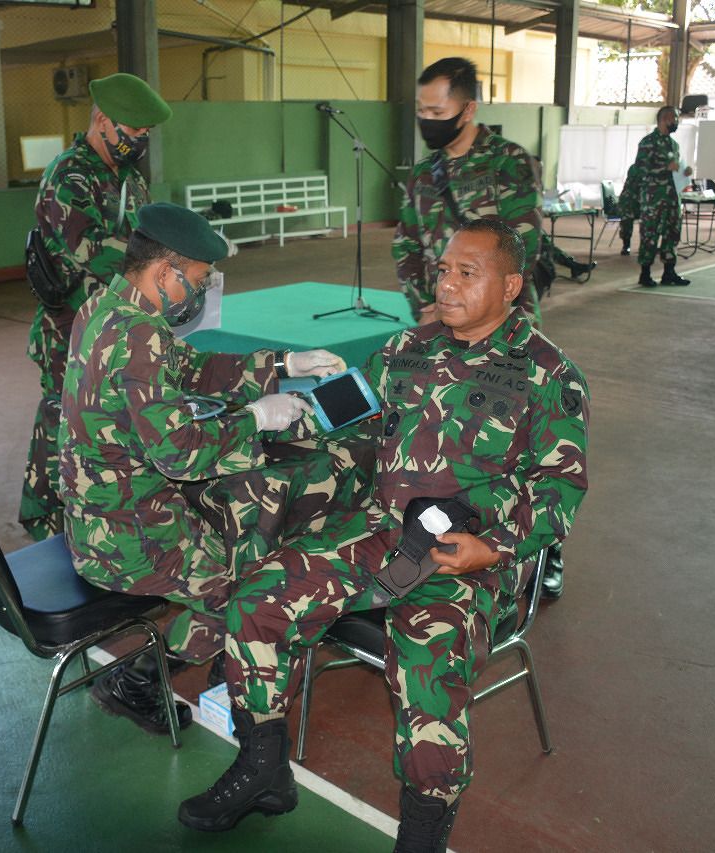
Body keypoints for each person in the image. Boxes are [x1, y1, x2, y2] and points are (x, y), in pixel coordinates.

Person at [178, 220, 589, 851]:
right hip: (377, 531)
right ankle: (262, 766)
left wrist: (496, 549)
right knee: (258, 602)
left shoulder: (547, 375)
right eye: (444, 269)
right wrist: (271, 418)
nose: (445, 284)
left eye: (465, 273)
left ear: (510, 286)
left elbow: (560, 488)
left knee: (427, 666)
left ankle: (422, 833)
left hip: (466, 556)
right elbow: (349, 410)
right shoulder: (408, 348)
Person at [60, 202, 358, 733]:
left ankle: (198, 661)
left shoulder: (105, 309)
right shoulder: (139, 336)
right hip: (128, 536)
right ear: (164, 272)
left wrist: (283, 365)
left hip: (96, 514)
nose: (199, 293)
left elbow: (191, 368)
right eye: (197, 280)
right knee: (253, 586)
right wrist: (257, 419)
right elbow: (181, 453)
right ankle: (139, 681)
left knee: (242, 518)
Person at [19, 72, 171, 540]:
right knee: (61, 421)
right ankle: (42, 518)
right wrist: (159, 264)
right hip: (69, 328)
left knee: (102, 423)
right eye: (133, 131)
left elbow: (145, 235)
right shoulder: (70, 175)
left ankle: (97, 515)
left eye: (145, 134)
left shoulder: (128, 180)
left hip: (112, 326)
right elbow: (83, 248)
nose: (140, 141)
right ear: (103, 121)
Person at [394, 56, 542, 323]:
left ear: (468, 110)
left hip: (498, 322)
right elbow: (406, 244)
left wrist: (468, 308)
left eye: (437, 113)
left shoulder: (507, 161)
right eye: (422, 111)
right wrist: (424, 306)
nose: (427, 119)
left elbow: (523, 249)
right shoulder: (423, 172)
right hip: (439, 318)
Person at [631, 106, 690, 287]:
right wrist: (664, 168)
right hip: (653, 199)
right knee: (650, 235)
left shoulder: (674, 145)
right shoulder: (648, 142)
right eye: (675, 118)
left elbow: (676, 168)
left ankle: (669, 272)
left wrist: (684, 171)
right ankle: (645, 273)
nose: (677, 122)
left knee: (672, 234)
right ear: (664, 119)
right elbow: (640, 170)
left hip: (672, 199)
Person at [616, 161, 642, 256]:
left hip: (644, 203)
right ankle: (626, 245)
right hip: (629, 202)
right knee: (627, 217)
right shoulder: (635, 168)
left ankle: (648, 246)